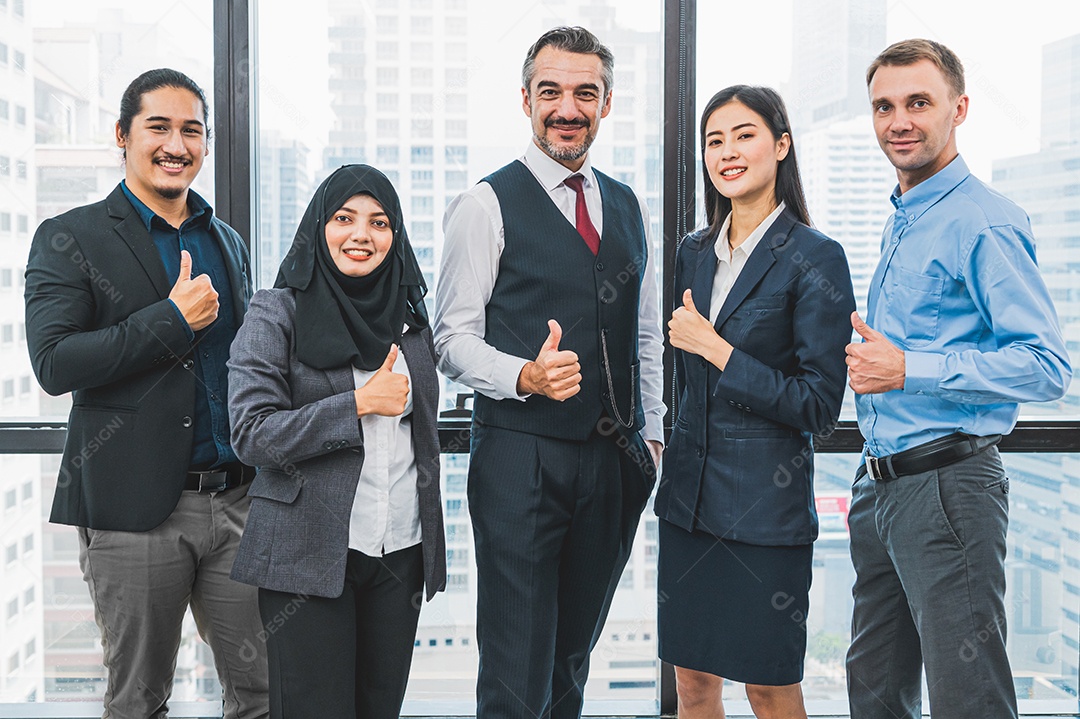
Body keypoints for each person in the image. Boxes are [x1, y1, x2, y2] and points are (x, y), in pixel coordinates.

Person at [433, 25, 665, 719]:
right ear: (526, 99)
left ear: (606, 103)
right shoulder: (485, 204)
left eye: (584, 93)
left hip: (613, 462)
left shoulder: (626, 204)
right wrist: (525, 375)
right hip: (519, 459)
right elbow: (450, 339)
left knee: (571, 662)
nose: (568, 108)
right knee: (514, 668)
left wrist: (650, 441)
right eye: (552, 92)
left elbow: (646, 334)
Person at [24, 69, 267, 718]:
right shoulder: (70, 237)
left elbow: (241, 364)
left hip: (238, 502)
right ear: (122, 136)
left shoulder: (227, 241)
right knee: (139, 700)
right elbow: (54, 363)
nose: (176, 143)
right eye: (158, 126)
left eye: (191, 129)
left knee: (267, 692)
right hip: (134, 512)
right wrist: (171, 320)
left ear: (206, 144)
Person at [845, 39, 1072, 719]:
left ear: (959, 108)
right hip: (881, 485)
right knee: (875, 692)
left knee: (967, 700)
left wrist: (909, 368)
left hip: (946, 489)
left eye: (919, 102)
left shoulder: (981, 218)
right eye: (884, 106)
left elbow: (1045, 366)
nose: (899, 121)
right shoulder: (907, 215)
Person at [657, 86, 855, 719]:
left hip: (766, 514)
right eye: (715, 140)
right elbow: (685, 389)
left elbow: (819, 406)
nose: (727, 152)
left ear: (782, 145)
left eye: (744, 135)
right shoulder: (692, 252)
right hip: (689, 506)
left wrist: (718, 351)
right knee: (692, 685)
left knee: (770, 690)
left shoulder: (815, 257)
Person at [227, 164, 446, 719]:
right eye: (344, 218)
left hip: (399, 551)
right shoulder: (275, 312)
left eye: (379, 223)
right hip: (307, 557)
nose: (361, 235)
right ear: (318, 228)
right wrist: (357, 404)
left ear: (395, 236)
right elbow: (251, 434)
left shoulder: (411, 324)